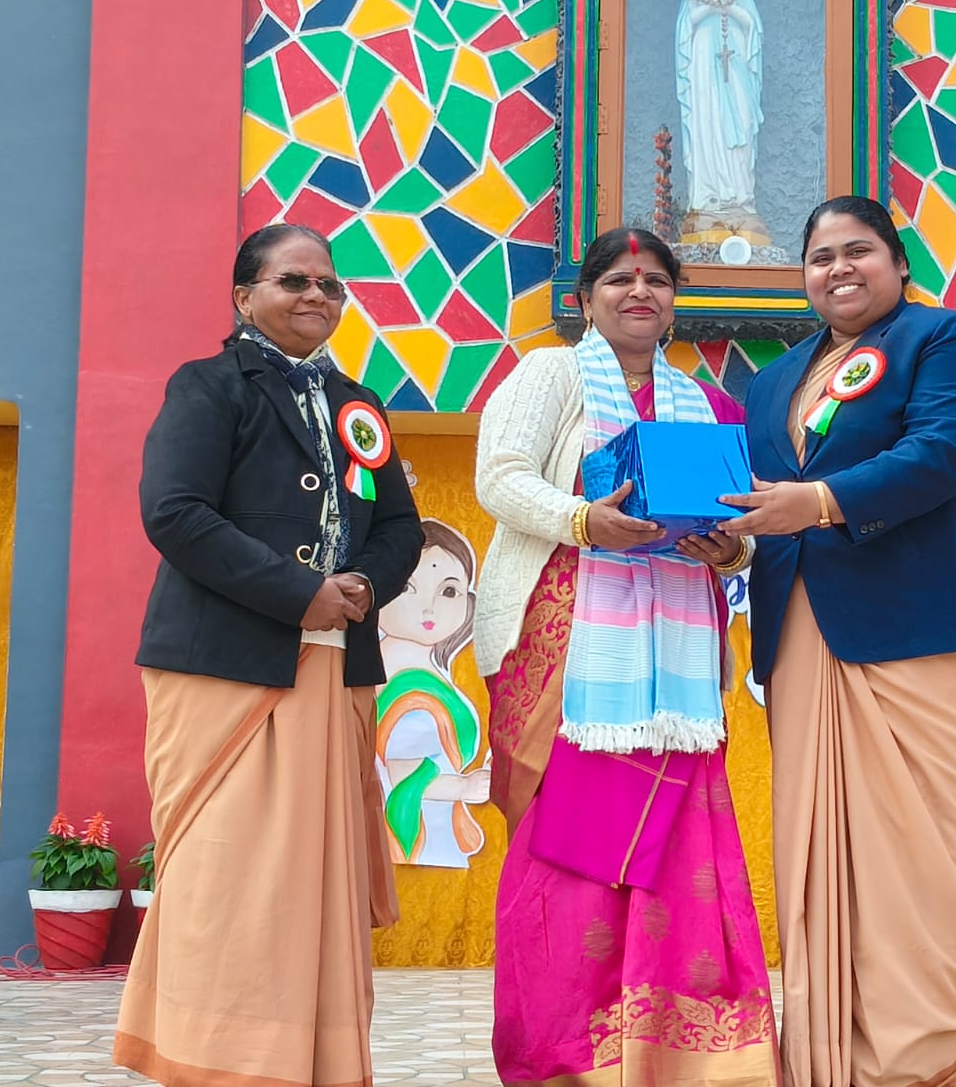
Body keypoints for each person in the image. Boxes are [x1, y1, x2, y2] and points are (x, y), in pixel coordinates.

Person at [720, 196, 956, 1087]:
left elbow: (946, 451)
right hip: (805, 640)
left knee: (927, 870)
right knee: (823, 870)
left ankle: (924, 1066)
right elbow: (761, 500)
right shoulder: (772, 381)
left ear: (899, 263)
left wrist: (821, 503)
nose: (838, 268)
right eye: (820, 256)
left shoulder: (947, 339)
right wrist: (728, 540)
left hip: (923, 634)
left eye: (858, 250)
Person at [115, 224, 424, 1087]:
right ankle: (217, 1064)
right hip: (224, 670)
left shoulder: (358, 404)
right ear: (243, 296)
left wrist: (359, 585)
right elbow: (175, 513)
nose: (317, 295)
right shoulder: (209, 386)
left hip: (331, 671)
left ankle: (310, 1064)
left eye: (330, 284)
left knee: (309, 886)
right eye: (294, 280)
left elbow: (400, 527)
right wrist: (299, 594)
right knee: (227, 880)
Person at [475, 227, 778, 1086]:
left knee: (681, 854)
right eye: (618, 279)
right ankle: (563, 1059)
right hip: (567, 648)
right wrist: (584, 519)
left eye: (656, 281)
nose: (638, 292)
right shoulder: (551, 375)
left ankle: (681, 1059)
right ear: (585, 299)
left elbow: (743, 519)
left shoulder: (709, 404)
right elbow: (501, 476)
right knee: (563, 853)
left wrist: (730, 550)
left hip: (676, 673)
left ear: (676, 300)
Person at [374, 518, 490, 868]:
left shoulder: (423, 666)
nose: (429, 607)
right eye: (406, 587)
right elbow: (401, 771)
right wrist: (464, 787)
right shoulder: (403, 679)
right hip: (417, 833)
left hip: (436, 829)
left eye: (449, 591)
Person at [676, 0, 764, 229]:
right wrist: (708, 9)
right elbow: (684, 28)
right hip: (703, 67)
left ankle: (740, 196)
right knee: (707, 121)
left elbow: (753, 27)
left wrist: (733, 10)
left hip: (736, 66)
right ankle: (707, 197)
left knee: (742, 119)